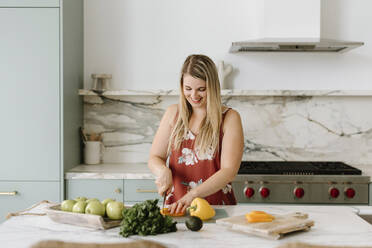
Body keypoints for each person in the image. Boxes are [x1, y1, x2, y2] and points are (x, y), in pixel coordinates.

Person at [148, 54, 244, 214]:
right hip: (177, 206)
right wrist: (162, 171)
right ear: (181, 86)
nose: (194, 96)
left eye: (201, 89)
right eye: (188, 89)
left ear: (212, 87)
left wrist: (193, 195)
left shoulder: (229, 118)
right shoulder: (173, 114)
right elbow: (154, 158)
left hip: (217, 207)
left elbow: (229, 171)